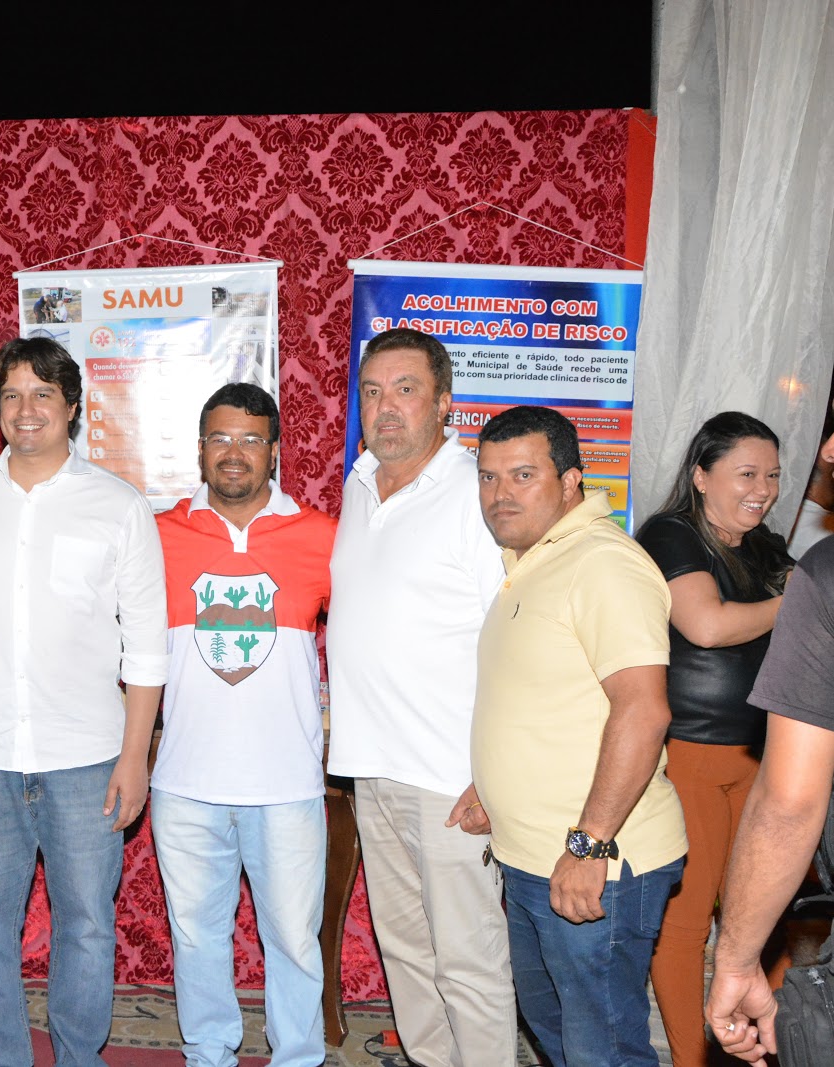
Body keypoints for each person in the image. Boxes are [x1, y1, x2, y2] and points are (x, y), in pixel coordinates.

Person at [0, 336, 168, 1066]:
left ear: (72, 407)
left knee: (88, 925)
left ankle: (79, 1057)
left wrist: (135, 758)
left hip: (87, 755)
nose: (26, 409)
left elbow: (148, 646)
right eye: (11, 395)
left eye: (42, 394)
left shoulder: (119, 505)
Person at [472, 404, 687, 1067]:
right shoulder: (532, 561)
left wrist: (589, 844)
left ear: (571, 481)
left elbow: (643, 711)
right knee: (556, 1029)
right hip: (532, 856)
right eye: (488, 476)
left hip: (597, 862)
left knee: (603, 1048)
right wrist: (490, 784)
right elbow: (544, 699)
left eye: (523, 474)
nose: (501, 493)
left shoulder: (603, 564)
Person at [326, 327, 516, 1067]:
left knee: (469, 960)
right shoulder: (359, 484)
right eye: (372, 392)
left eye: (406, 390)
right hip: (372, 770)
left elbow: (514, 640)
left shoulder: (475, 493)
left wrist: (493, 775)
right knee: (406, 953)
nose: (386, 407)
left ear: (443, 402)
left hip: (450, 779)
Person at [150, 382, 336, 1065]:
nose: (235, 452)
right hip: (184, 782)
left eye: (251, 439)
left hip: (286, 784)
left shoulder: (322, 537)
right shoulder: (156, 535)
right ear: (200, 449)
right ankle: (209, 1053)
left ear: (275, 451)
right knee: (196, 935)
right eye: (221, 439)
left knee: (294, 940)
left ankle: (298, 1058)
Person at [635, 412, 793, 1067]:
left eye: (773, 476)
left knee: (764, 912)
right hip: (690, 755)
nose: (764, 489)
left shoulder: (766, 547)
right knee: (688, 919)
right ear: (701, 475)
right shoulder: (670, 533)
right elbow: (705, 625)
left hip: (766, 756)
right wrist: (799, 602)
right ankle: (690, 1059)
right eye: (747, 473)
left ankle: (763, 1051)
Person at [708, 365, 834, 1063]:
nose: (829, 449)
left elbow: (791, 800)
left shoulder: (830, 572)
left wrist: (736, 961)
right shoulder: (673, 540)